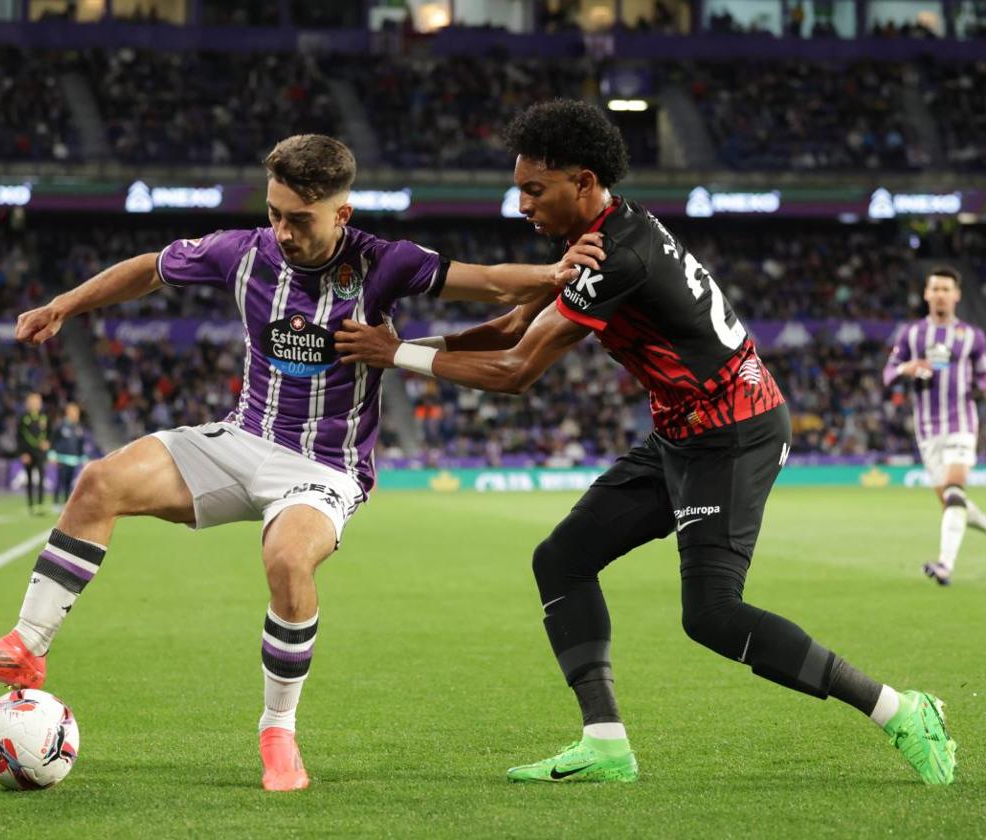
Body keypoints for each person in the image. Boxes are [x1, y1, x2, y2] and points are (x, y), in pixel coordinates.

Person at [0, 133, 606, 792]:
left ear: (341, 214)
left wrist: (550, 275)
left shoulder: (384, 262)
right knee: (99, 481)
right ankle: (26, 646)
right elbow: (149, 268)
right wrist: (64, 304)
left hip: (325, 467)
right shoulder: (242, 253)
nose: (282, 231)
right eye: (275, 213)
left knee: (287, 560)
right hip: (243, 439)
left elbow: (485, 283)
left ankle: (278, 730)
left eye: (300, 219)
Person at [335, 100, 956, 786]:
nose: (521, 205)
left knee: (713, 614)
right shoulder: (603, 232)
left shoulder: (619, 254)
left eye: (534, 190)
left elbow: (516, 372)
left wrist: (398, 357)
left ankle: (903, 710)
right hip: (682, 433)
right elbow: (513, 327)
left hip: (734, 434)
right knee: (562, 560)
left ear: (584, 181)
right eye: (518, 189)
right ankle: (605, 746)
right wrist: (404, 347)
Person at [883, 266, 986, 586]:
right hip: (927, 430)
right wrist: (907, 369)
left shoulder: (973, 337)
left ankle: (944, 565)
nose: (940, 294)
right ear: (926, 294)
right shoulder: (911, 335)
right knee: (952, 503)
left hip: (961, 423)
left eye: (946, 289)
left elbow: (984, 377)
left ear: (956, 295)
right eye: (935, 289)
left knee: (955, 490)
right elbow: (887, 374)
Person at [50, 403, 88, 506]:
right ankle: (56, 502)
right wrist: (52, 455)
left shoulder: (79, 427)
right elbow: (53, 441)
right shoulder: (60, 425)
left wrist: (84, 458)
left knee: (69, 483)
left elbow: (81, 445)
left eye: (77, 412)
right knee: (60, 481)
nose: (76, 414)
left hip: (74, 460)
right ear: (68, 412)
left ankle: (66, 503)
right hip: (62, 458)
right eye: (74, 411)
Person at [18, 392, 50, 515]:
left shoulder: (44, 416)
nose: (35, 404)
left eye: (37, 402)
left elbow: (49, 432)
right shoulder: (23, 417)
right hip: (28, 452)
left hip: (40, 452)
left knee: (42, 477)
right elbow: (19, 436)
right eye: (32, 402)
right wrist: (22, 453)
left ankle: (40, 504)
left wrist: (48, 442)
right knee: (29, 478)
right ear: (28, 404)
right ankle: (31, 504)